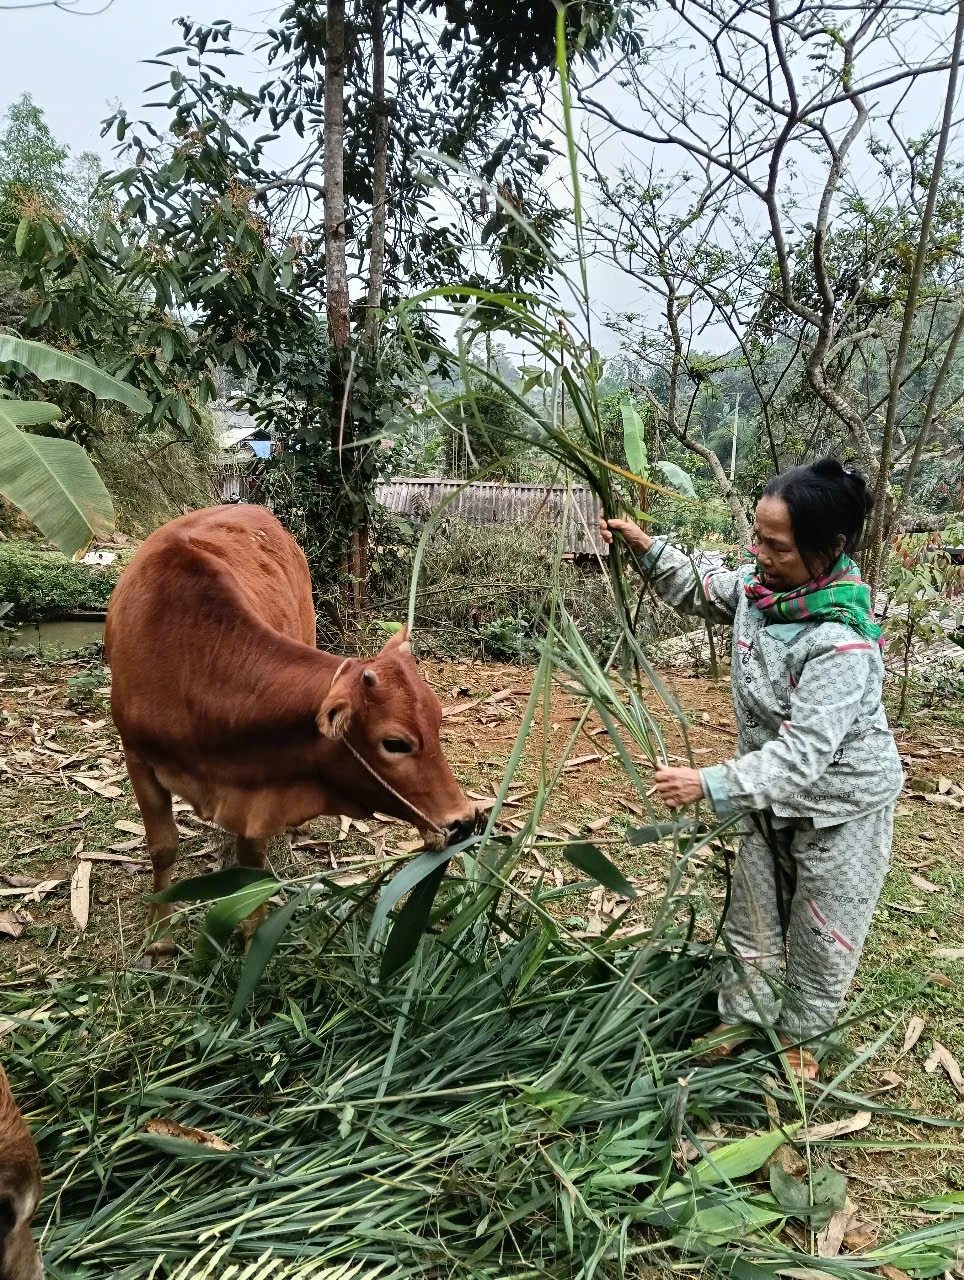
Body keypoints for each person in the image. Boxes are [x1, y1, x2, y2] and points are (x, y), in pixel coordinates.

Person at [600, 457, 903, 1080]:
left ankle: (803, 1040)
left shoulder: (840, 642)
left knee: (823, 929)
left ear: (831, 547)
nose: (758, 553)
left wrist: (709, 782)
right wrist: (645, 547)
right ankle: (741, 1019)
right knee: (754, 912)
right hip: (765, 795)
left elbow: (803, 756)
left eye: (776, 545)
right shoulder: (763, 595)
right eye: (757, 537)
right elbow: (704, 584)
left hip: (840, 805)